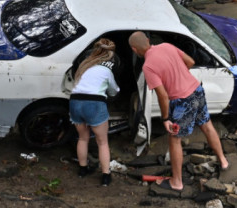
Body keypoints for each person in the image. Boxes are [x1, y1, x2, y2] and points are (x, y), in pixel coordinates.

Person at [128, 31, 228, 192]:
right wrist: (180, 76)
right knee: (207, 125)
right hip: (196, 90)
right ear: (148, 40)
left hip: (183, 101)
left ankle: (177, 182)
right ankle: (223, 161)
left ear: (134, 49)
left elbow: (162, 95)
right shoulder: (166, 46)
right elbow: (190, 61)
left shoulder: (148, 66)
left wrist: (165, 118)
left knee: (174, 139)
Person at [69, 38, 120, 186]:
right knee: (102, 142)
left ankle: (82, 169)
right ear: (110, 54)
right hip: (94, 104)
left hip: (75, 102)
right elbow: (113, 90)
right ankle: (105, 176)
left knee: (83, 138)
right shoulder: (106, 70)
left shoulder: (84, 66)